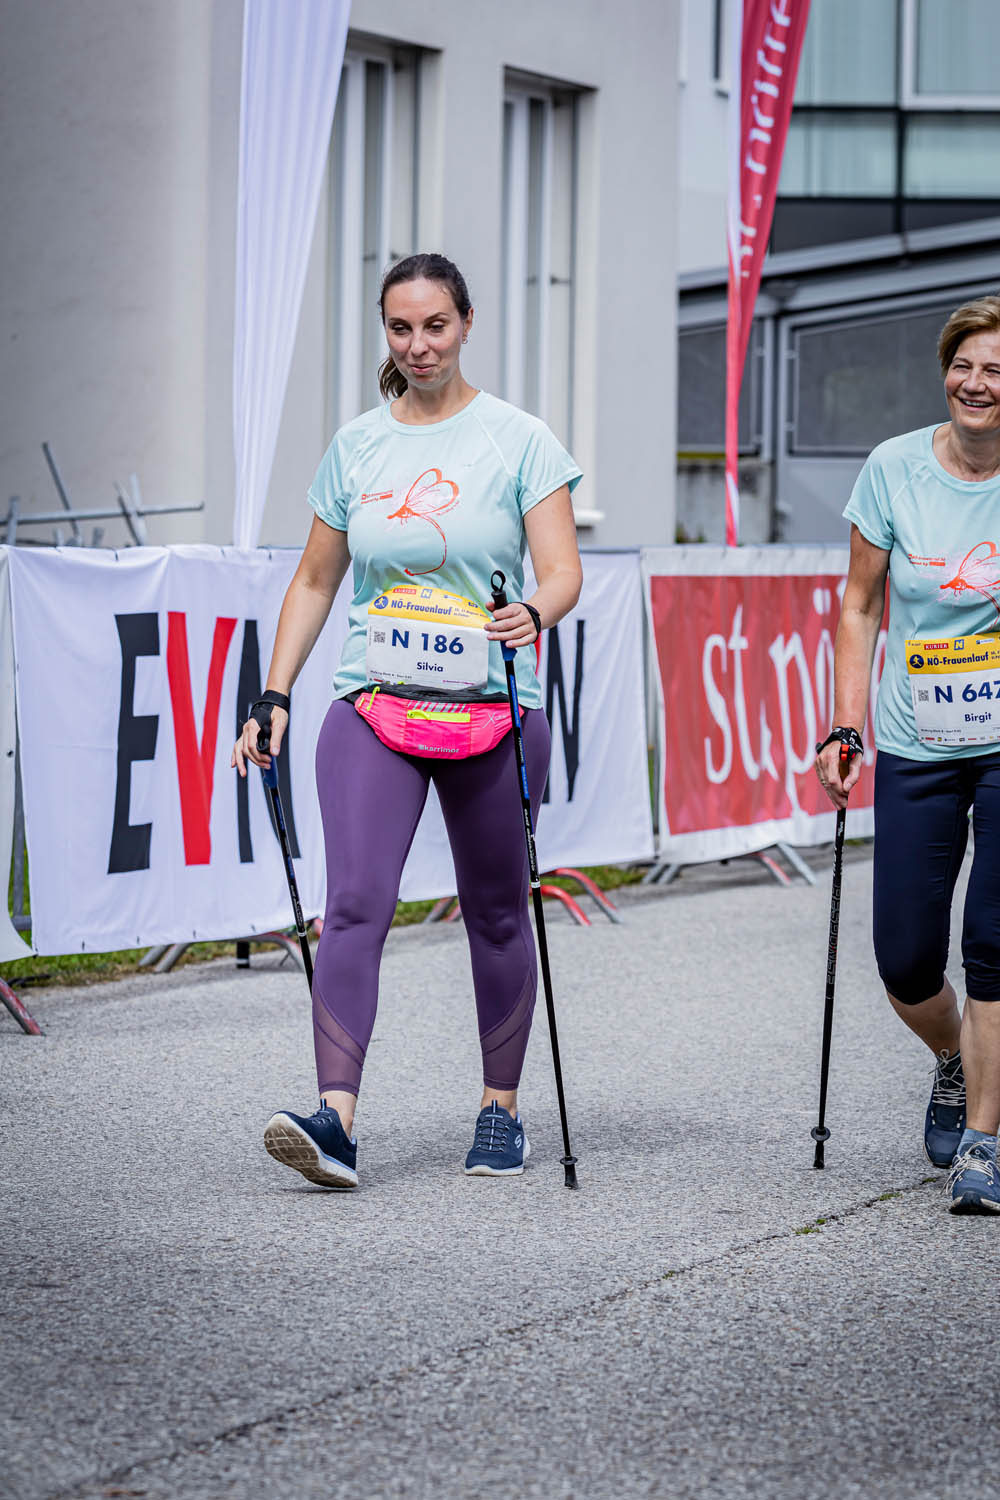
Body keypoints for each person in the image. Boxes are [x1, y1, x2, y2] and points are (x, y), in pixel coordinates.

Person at [233, 252, 583, 1189]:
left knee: (497, 913)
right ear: (384, 333)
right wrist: (274, 694)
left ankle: (501, 1110)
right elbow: (316, 581)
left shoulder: (519, 440)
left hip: (492, 710)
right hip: (375, 703)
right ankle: (335, 1121)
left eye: (435, 325)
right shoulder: (356, 447)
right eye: (401, 328)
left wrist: (535, 611)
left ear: (466, 324)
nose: (419, 345)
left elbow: (563, 572)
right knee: (354, 905)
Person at [816, 293, 1000, 1215]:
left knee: (994, 942)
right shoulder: (893, 467)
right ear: (944, 372)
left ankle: (984, 1143)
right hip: (917, 737)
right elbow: (859, 606)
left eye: (996, 370)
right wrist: (844, 726)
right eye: (964, 365)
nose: (978, 383)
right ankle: (955, 1055)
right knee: (904, 956)